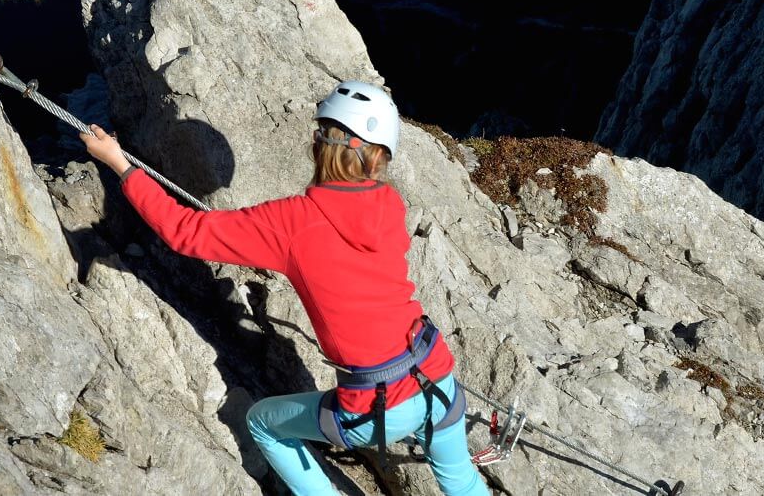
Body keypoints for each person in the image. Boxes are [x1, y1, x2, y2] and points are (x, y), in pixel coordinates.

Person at [80, 81, 490, 496]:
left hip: (374, 404)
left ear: (318, 144)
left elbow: (185, 232)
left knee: (264, 423)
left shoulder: (291, 223)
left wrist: (121, 165)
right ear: (379, 157)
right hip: (436, 374)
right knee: (461, 479)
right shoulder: (389, 203)